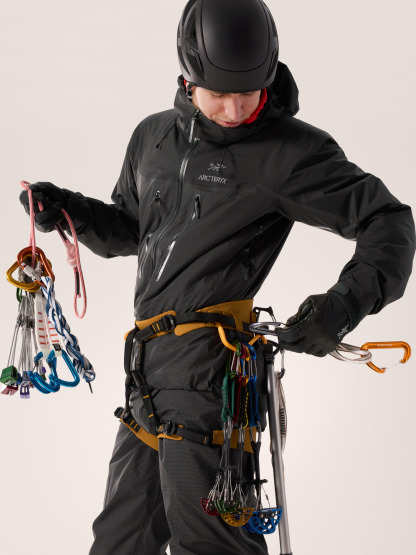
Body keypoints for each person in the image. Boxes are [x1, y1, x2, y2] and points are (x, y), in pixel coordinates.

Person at [19, 0, 415, 553]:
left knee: (212, 545)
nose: (233, 109)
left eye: (248, 93)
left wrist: (342, 306)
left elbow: (388, 221)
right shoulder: (153, 138)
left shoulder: (289, 153)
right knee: (118, 542)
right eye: (218, 93)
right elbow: (133, 230)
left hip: (212, 379)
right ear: (187, 77)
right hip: (146, 374)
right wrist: (71, 211)